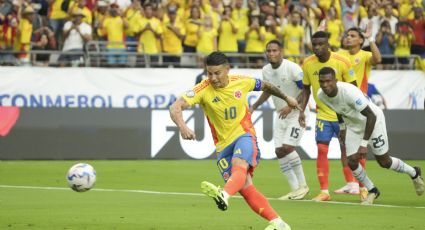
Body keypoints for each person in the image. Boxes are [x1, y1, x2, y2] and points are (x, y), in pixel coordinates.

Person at [170, 52, 297, 230]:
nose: (213, 78)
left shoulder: (242, 81)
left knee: (240, 165)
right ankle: (278, 223)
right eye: (209, 73)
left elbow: (267, 86)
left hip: (244, 134)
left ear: (227, 70)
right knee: (246, 188)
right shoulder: (202, 89)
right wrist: (182, 126)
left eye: (217, 73)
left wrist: (287, 98)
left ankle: (224, 194)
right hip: (222, 146)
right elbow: (175, 106)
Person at [316, 66, 424, 205]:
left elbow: (370, 116)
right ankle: (372, 190)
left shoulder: (349, 92)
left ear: (335, 81)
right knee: (352, 161)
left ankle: (414, 172)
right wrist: (342, 128)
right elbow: (338, 108)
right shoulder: (321, 95)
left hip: (373, 121)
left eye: (328, 81)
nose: (325, 85)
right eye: (322, 81)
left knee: (384, 162)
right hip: (354, 125)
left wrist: (363, 145)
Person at [298, 31, 357, 202]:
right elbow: (306, 89)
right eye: (314, 44)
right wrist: (301, 110)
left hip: (344, 114)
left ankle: (359, 186)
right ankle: (324, 191)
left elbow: (354, 88)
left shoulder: (342, 62)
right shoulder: (308, 63)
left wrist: (354, 114)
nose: (317, 47)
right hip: (323, 113)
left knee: (349, 149)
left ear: (328, 44)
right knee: (322, 149)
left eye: (321, 44)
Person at [250, 40, 309, 201]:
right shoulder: (266, 70)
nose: (271, 53)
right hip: (281, 114)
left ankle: (303, 186)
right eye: (268, 51)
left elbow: (305, 90)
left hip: (297, 113)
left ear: (281, 52)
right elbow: (268, 91)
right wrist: (254, 106)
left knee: (288, 147)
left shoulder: (293, 68)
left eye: (274, 50)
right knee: (279, 151)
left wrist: (294, 107)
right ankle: (295, 189)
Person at [335, 26, 381, 197]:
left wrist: (371, 39)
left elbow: (377, 58)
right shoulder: (340, 54)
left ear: (361, 40)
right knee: (344, 146)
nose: (348, 37)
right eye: (347, 34)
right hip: (341, 104)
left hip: (359, 105)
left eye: (353, 35)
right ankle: (350, 184)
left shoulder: (364, 55)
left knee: (359, 146)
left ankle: (362, 186)